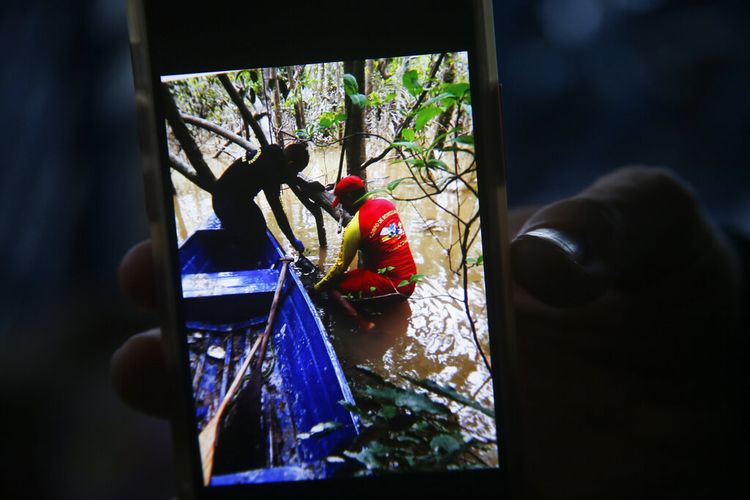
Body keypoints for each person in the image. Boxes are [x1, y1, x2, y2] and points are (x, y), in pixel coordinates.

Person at [111, 167, 746, 499]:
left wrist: (326, 286)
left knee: (338, 290)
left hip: (384, 290)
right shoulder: (382, 209)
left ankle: (361, 322)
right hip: (406, 285)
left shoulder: (358, 222)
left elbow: (338, 267)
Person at [313, 175, 418, 300]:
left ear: (349, 198)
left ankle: (359, 319)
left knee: (335, 284)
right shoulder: (387, 204)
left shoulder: (354, 227)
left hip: (393, 286)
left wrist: (318, 287)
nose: (342, 207)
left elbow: (339, 267)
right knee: (359, 274)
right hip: (410, 280)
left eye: (342, 203)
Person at [211, 141, 311, 252]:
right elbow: (278, 211)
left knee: (259, 226)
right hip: (226, 204)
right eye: (297, 171)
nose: (296, 174)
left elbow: (286, 175)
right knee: (256, 237)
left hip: (229, 196)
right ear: (290, 164)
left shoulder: (274, 150)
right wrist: (292, 240)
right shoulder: (270, 173)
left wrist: (307, 185)